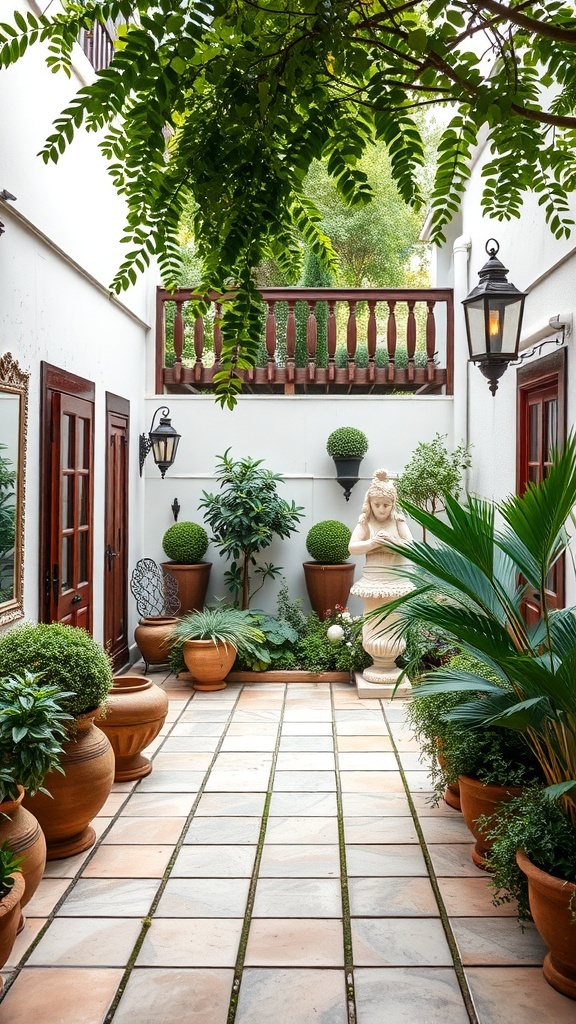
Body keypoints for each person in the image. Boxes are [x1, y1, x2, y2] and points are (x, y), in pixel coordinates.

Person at [348, 469, 413, 600]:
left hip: (397, 580)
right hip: (373, 579)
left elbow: (411, 547)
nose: (381, 510)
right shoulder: (365, 521)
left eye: (386, 505)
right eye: (376, 505)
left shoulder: (398, 521)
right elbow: (352, 548)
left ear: (393, 503)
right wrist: (373, 543)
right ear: (370, 503)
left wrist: (392, 542)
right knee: (373, 617)